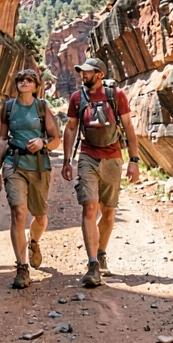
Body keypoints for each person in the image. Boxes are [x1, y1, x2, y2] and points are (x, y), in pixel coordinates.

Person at [61, 57, 139, 287]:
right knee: (89, 207)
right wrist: (67, 160)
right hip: (88, 156)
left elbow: (128, 127)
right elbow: (71, 128)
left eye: (87, 72)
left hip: (113, 158)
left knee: (108, 212)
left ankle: (102, 252)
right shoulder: (77, 98)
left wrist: (134, 160)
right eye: (81, 72)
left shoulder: (116, 96)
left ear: (99, 74)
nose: (83, 75)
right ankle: (93, 263)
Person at [0, 68, 61, 289]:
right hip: (15, 163)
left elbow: (55, 138)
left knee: (40, 217)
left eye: (29, 80)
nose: (24, 82)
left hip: (39, 166)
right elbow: (2, 139)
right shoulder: (9, 107)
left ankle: (34, 241)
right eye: (20, 79)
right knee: (18, 212)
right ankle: (22, 268)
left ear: (36, 85)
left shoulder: (41, 107)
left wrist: (43, 143)